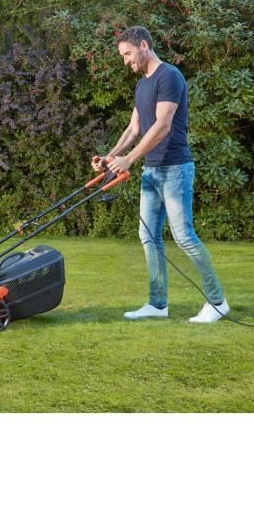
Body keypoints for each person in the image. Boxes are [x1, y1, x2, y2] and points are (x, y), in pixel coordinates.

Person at [92, 26, 230, 323]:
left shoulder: (169, 76)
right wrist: (111, 157)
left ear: (143, 45)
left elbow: (163, 125)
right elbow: (134, 128)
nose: (125, 61)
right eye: (123, 56)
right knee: (148, 235)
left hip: (175, 168)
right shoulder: (142, 85)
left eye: (128, 54)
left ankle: (218, 302)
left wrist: (129, 159)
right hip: (151, 172)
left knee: (184, 237)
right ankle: (157, 305)